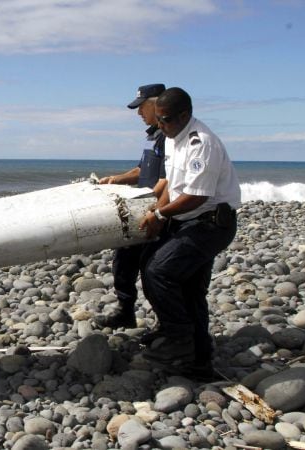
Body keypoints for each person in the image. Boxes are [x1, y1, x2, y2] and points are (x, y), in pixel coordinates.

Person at [138, 87, 241, 377]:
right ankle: (198, 359)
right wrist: (158, 213)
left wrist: (158, 214)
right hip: (187, 220)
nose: (160, 126)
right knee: (184, 285)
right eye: (158, 120)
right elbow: (172, 183)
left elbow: (196, 196)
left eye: (166, 120)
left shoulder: (201, 143)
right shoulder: (172, 137)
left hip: (210, 223)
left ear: (185, 115)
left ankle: (179, 339)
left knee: (161, 271)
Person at [94, 83, 167, 329]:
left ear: (158, 104)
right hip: (141, 208)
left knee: (152, 270)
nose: (138, 114)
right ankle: (125, 310)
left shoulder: (169, 137)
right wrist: (115, 180)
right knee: (123, 260)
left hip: (158, 212)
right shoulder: (152, 136)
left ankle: (165, 324)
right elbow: (140, 170)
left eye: (142, 107)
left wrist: (155, 212)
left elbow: (168, 181)